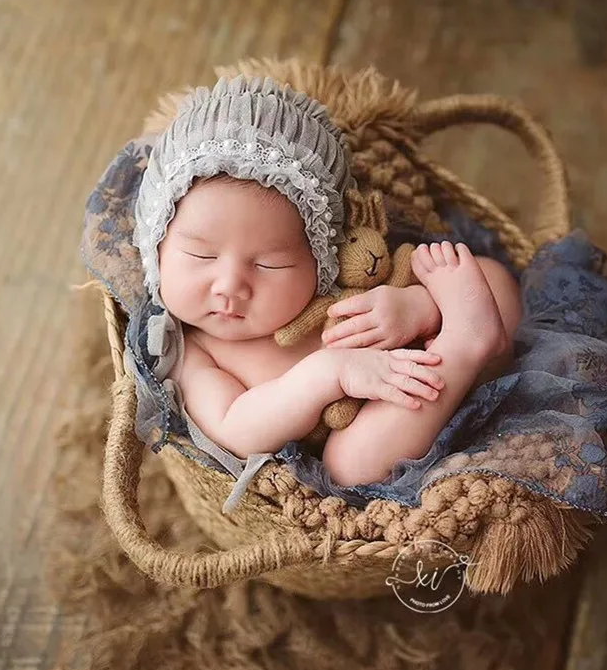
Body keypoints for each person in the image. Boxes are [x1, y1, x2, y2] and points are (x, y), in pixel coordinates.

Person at [133, 76, 521, 487]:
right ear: (156, 247)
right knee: (348, 465)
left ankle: (470, 334)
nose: (230, 285)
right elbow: (235, 428)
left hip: (433, 356)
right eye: (201, 256)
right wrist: (328, 374)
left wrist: (418, 310)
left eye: (269, 264)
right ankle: (466, 345)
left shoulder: (330, 288)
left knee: (487, 276)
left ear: (319, 258)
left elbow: (405, 282)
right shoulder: (189, 351)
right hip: (394, 417)